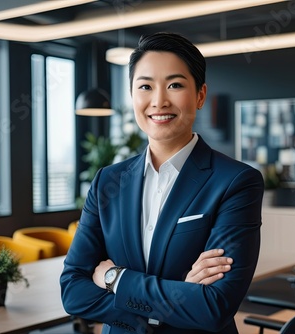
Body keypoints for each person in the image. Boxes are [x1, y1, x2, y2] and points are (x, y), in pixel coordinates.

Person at [60, 32, 264, 334]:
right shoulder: (107, 181)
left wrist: (115, 279)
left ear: (200, 95)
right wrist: (171, 302)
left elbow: (214, 306)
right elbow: (73, 291)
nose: (159, 101)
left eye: (175, 85)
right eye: (145, 86)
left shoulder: (236, 182)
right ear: (132, 96)